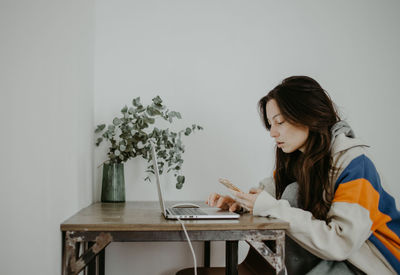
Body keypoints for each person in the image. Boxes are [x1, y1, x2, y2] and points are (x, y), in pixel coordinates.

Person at [207, 76, 400, 274]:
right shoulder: (298, 160)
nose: (272, 133)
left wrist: (269, 206)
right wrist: (241, 204)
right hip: (330, 261)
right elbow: (268, 199)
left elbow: (340, 244)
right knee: (292, 192)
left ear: (308, 116)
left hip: (370, 264)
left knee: (292, 194)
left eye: (279, 122)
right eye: (270, 124)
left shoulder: (356, 164)